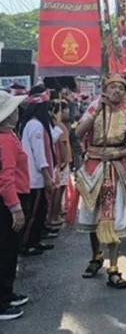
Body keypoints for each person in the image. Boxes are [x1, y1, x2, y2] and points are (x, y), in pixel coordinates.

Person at [74, 74, 126, 289]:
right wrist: (97, 112)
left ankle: (114, 268)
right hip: (93, 167)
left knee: (114, 218)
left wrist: (119, 153)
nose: (117, 91)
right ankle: (96, 256)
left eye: (121, 88)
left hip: (117, 168)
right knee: (92, 216)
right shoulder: (94, 107)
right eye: (112, 87)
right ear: (105, 90)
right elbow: (79, 133)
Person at [0, 91, 29, 321]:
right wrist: (15, 208)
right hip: (9, 201)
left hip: (12, 198)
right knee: (6, 251)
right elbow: (6, 179)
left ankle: (7, 293)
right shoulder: (6, 140)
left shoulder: (10, 135)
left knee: (10, 250)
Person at [19, 86, 56, 257]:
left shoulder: (35, 124)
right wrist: (47, 176)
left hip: (37, 176)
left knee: (40, 210)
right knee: (33, 213)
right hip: (35, 177)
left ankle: (35, 240)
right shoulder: (35, 125)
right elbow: (39, 154)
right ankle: (26, 244)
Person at [47, 99, 73, 230]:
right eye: (65, 109)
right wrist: (63, 162)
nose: (68, 112)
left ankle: (54, 215)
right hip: (61, 163)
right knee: (59, 189)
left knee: (59, 189)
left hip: (61, 162)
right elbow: (62, 146)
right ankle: (54, 216)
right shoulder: (60, 127)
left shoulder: (61, 125)